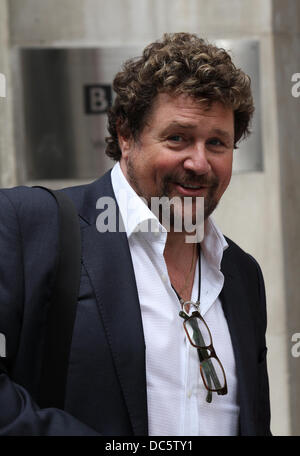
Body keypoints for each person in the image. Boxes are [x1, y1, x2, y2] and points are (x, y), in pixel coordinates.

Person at [0, 33, 271, 436]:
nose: (199, 163)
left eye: (217, 143)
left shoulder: (242, 274)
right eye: (178, 137)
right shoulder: (31, 225)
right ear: (126, 135)